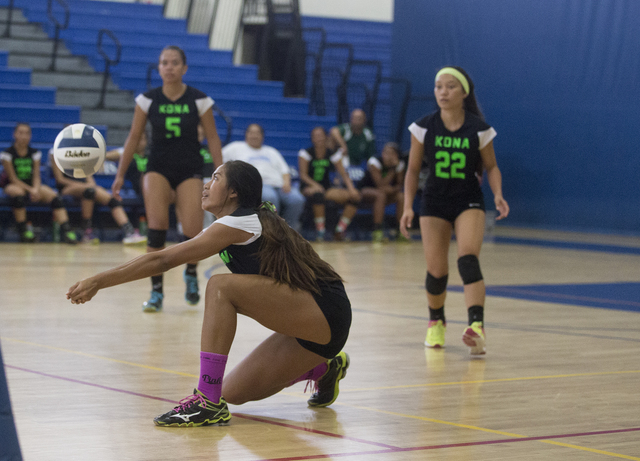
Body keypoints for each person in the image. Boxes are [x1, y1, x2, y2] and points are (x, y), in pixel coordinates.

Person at [67, 160, 352, 427]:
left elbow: (162, 260)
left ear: (233, 193)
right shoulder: (244, 221)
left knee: (220, 286)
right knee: (232, 392)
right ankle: (326, 367)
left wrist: (98, 281)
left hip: (325, 310)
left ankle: (206, 402)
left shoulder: (240, 222)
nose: (206, 184)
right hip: (313, 323)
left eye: (215, 178)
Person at [399, 66, 509, 355]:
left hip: (467, 201)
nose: (443, 92)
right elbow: (412, 170)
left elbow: (492, 167)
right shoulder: (423, 127)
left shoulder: (480, 130)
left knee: (468, 259)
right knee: (436, 271)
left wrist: (497, 194)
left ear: (464, 92)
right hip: (434, 202)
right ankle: (436, 321)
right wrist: (408, 206)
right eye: (438, 87)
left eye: (450, 87)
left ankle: (477, 328)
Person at [111, 45, 223, 313]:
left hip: (189, 168)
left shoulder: (199, 100)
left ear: (184, 68)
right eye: (164, 62)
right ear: (159, 68)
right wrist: (120, 174)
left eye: (174, 63)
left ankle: (190, 274)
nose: (169, 67)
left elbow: (213, 138)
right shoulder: (147, 100)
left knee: (193, 231)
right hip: (157, 167)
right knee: (157, 227)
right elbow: (133, 138)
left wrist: (221, 174)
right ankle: (156, 291)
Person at [0, 122, 77, 243]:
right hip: (13, 185)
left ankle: (67, 230)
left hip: (31, 185)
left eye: (27, 133)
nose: (24, 136)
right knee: (18, 194)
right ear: (15, 134)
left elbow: (36, 176)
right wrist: (31, 190)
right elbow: (13, 178)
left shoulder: (35, 153)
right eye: (21, 133)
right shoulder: (7, 154)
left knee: (54, 196)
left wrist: (35, 189)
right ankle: (23, 230)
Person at [50, 150, 147, 245]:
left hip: (87, 188)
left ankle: (129, 232)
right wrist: (83, 185)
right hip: (67, 188)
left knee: (111, 199)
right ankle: (86, 233)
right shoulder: (56, 153)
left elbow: (90, 180)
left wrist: (89, 186)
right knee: (89, 190)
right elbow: (60, 180)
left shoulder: (83, 154)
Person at [222, 124, 305, 231]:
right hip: (258, 185)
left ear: (262, 136)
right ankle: (273, 232)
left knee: (297, 199)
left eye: (257, 133)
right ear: (246, 134)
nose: (254, 136)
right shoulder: (236, 147)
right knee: (271, 198)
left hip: (279, 184)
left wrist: (287, 183)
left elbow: (285, 170)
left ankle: (289, 231)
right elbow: (219, 160)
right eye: (251, 133)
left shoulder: (271, 151)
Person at [298, 126, 360, 241]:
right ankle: (320, 233)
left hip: (326, 187)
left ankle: (339, 231)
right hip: (308, 187)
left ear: (326, 137)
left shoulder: (332, 153)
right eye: (316, 136)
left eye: (321, 135)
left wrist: (351, 188)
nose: (319, 138)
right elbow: (303, 175)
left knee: (354, 198)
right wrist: (315, 185)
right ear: (312, 139)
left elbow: (343, 173)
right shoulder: (305, 153)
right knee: (318, 195)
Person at [357, 142, 406, 243]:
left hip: (386, 193)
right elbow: (380, 185)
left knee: (401, 196)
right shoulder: (374, 162)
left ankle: (401, 231)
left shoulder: (400, 164)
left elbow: (400, 185)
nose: (387, 156)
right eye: (385, 152)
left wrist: (392, 189)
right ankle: (377, 231)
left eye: (391, 153)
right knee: (380, 195)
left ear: (396, 155)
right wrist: (392, 169)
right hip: (365, 191)